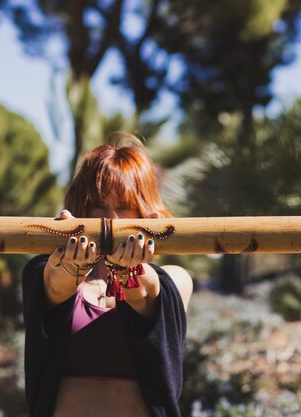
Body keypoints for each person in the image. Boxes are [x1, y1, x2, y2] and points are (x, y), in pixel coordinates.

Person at [21, 132, 193, 417]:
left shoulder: (175, 279)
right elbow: (56, 284)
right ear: (81, 208)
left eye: (124, 207)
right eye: (99, 206)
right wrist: (73, 267)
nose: (111, 219)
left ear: (144, 211)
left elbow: (148, 293)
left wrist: (127, 270)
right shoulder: (44, 270)